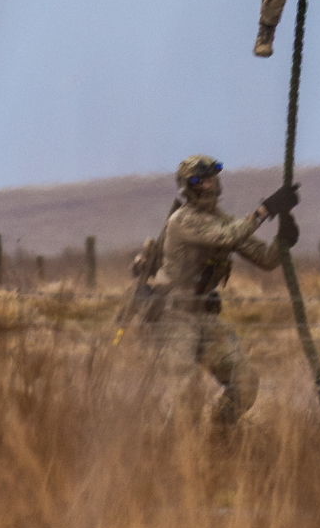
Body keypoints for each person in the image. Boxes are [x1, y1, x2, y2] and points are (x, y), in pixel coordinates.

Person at [128, 154, 299, 425]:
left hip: (206, 315)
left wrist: (284, 239)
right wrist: (264, 211)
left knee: (244, 384)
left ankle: (220, 438)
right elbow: (227, 236)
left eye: (211, 178)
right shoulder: (183, 220)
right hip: (173, 317)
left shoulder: (221, 218)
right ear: (188, 186)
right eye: (199, 180)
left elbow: (265, 259)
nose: (208, 185)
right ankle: (179, 456)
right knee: (188, 397)